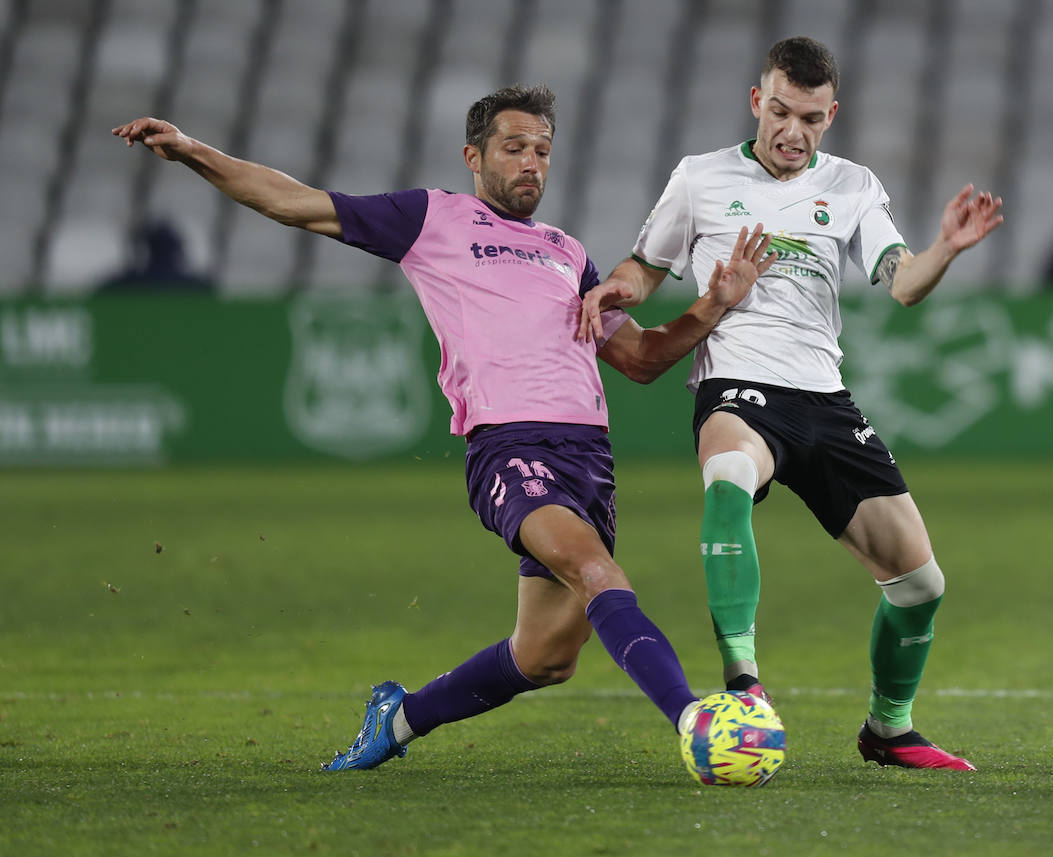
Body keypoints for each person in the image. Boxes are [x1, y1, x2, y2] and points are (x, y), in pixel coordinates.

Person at [112, 83, 777, 774]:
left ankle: (397, 718)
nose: (531, 164)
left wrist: (713, 305)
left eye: (542, 151)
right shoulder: (433, 219)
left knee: (546, 656)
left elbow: (639, 360)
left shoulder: (567, 253)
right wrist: (193, 152)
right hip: (510, 447)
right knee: (596, 569)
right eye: (514, 148)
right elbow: (292, 201)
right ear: (474, 155)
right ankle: (697, 722)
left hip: (589, 462)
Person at [580, 37, 1003, 771]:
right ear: (757, 101)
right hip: (738, 385)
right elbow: (644, 269)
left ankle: (888, 728)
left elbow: (902, 282)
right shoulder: (701, 178)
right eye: (779, 111)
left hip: (825, 397)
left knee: (920, 584)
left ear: (829, 115)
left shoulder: (852, 186)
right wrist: (619, 288)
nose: (792, 131)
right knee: (728, 479)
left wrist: (946, 251)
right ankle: (744, 684)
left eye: (809, 118)